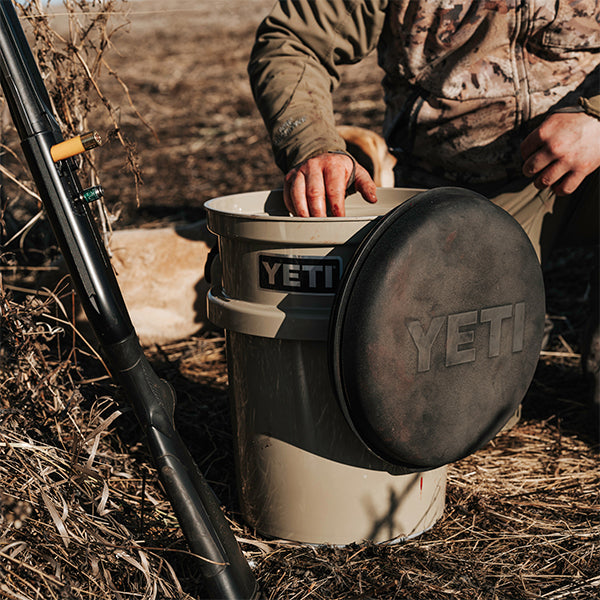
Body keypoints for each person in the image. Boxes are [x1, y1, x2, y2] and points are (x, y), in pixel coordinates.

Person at [247, 0, 600, 403]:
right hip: (455, 192)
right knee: (450, 408)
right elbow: (294, 41)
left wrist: (597, 117)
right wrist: (310, 145)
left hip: (591, 157)